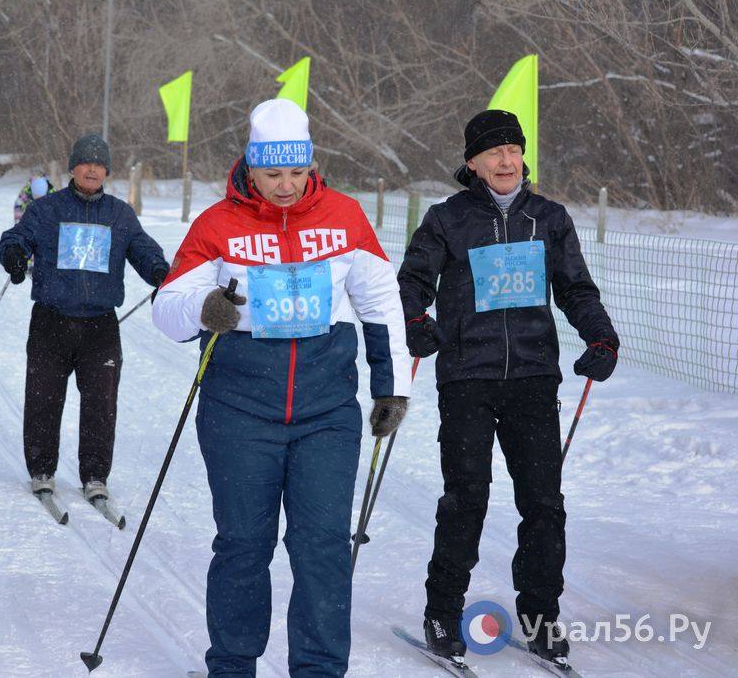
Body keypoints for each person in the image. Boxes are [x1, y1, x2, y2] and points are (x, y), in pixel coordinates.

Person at [152, 98, 412, 677]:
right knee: (244, 545)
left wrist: (392, 385)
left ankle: (319, 669)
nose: (287, 185)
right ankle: (232, 666)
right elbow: (166, 309)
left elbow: (381, 303)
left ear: (311, 163)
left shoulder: (344, 218)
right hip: (238, 413)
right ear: (251, 165)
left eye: (297, 172)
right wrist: (206, 307)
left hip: (326, 415)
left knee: (322, 548)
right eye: (273, 174)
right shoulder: (218, 225)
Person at [397, 109, 619, 664]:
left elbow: (576, 290)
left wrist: (601, 337)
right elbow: (411, 282)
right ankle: (442, 614)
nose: (505, 160)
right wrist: (416, 322)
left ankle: (541, 618)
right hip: (467, 378)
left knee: (544, 504)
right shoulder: (447, 220)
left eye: (513, 150)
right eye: (493, 151)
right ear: (472, 163)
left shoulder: (550, 219)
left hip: (532, 378)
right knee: (466, 498)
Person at [0, 134, 170, 507]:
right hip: (51, 321)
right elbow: (18, 237)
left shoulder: (119, 214)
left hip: (99, 325)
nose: (91, 169)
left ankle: (95, 475)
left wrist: (159, 272)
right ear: (73, 167)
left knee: (101, 403)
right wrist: (13, 254)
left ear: (106, 170)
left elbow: (142, 249)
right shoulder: (47, 210)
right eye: (84, 162)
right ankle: (42, 469)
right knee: (43, 398)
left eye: (99, 163)